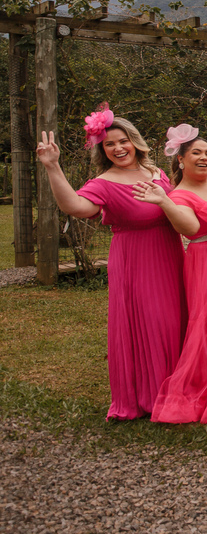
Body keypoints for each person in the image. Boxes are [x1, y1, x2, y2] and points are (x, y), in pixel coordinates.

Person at [35, 107, 186, 420]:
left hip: (171, 256)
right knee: (152, 323)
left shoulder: (156, 172)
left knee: (177, 319)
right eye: (109, 144)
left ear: (135, 141)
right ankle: (151, 396)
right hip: (136, 260)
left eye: (123, 141)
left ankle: (181, 389)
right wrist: (53, 168)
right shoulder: (104, 182)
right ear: (102, 150)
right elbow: (75, 206)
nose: (118, 148)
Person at [135, 126, 207, 424]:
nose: (204, 158)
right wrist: (164, 202)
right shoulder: (179, 195)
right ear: (181, 160)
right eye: (196, 152)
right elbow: (190, 229)